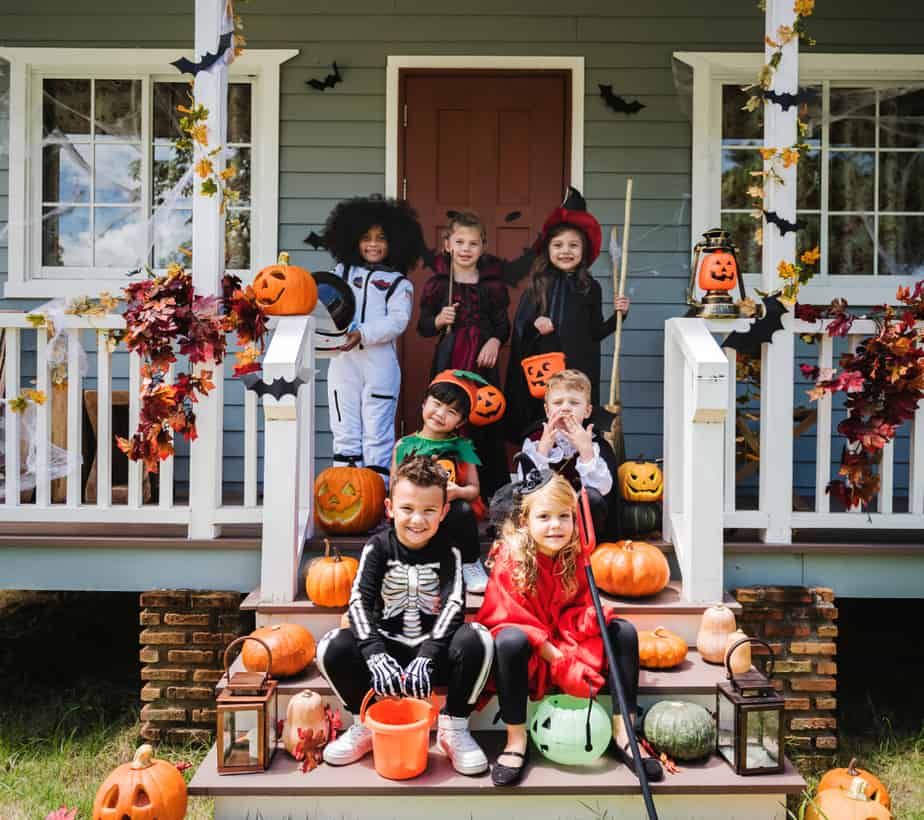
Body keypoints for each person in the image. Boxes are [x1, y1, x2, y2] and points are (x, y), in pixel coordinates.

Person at [476, 473, 662, 787]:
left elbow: (582, 605)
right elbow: (506, 618)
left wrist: (587, 619)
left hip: (569, 641)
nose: (556, 525)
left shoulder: (577, 557)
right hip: (532, 653)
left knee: (624, 632)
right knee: (509, 642)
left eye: (565, 517)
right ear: (525, 521)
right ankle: (516, 740)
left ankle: (624, 733)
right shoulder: (511, 559)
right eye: (545, 517)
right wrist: (558, 658)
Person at [316, 457, 494, 775]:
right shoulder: (377, 547)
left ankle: (454, 727)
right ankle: (366, 723)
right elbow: (358, 602)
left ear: (443, 512)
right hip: (386, 652)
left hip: (431, 656)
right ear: (389, 508)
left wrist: (427, 655)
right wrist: (374, 654)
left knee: (478, 637)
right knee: (332, 645)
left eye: (428, 510)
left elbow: (454, 606)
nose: (417, 520)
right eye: (407, 508)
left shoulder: (450, 550)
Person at [417, 210, 531, 500]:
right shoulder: (440, 284)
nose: (466, 249)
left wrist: (494, 340)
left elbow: (503, 325)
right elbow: (423, 326)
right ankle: (439, 487)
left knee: (484, 420)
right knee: (446, 416)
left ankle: (490, 493)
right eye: (460, 242)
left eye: (473, 243)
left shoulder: (491, 287)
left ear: (483, 247)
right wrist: (439, 321)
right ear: (447, 245)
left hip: (482, 365)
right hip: (450, 360)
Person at [505, 187, 630, 440]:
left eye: (573, 245)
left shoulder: (590, 287)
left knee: (576, 422)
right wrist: (535, 324)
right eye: (558, 245)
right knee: (545, 422)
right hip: (544, 368)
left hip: (579, 366)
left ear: (583, 251)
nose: (566, 251)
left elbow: (595, 332)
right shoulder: (540, 283)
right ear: (548, 249)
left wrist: (619, 316)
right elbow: (520, 328)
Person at [321, 195, 424, 483]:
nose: (373, 244)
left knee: (377, 431)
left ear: (396, 242)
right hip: (343, 360)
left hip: (379, 363)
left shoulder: (398, 283)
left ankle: (377, 498)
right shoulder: (341, 273)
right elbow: (321, 300)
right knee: (344, 428)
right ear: (352, 239)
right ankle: (344, 494)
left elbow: (397, 321)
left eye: (381, 238)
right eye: (366, 237)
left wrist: (363, 333)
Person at [392, 371, 488, 593]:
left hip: (448, 513)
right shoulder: (404, 446)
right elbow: (394, 489)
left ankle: (470, 564)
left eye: (451, 411)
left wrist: (457, 492)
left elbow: (474, 490)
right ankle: (414, 564)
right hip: (417, 513)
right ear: (425, 403)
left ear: (461, 421)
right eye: (436, 404)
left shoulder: (462, 447)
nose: (440, 413)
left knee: (462, 510)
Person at [518, 369, 621, 540]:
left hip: (582, 523)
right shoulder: (535, 441)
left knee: (593, 498)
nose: (565, 408)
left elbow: (604, 489)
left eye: (574, 403)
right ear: (547, 410)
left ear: (587, 411)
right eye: (558, 403)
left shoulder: (596, 444)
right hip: (546, 519)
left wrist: (585, 451)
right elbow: (526, 488)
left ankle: (585, 553)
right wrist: (543, 451)